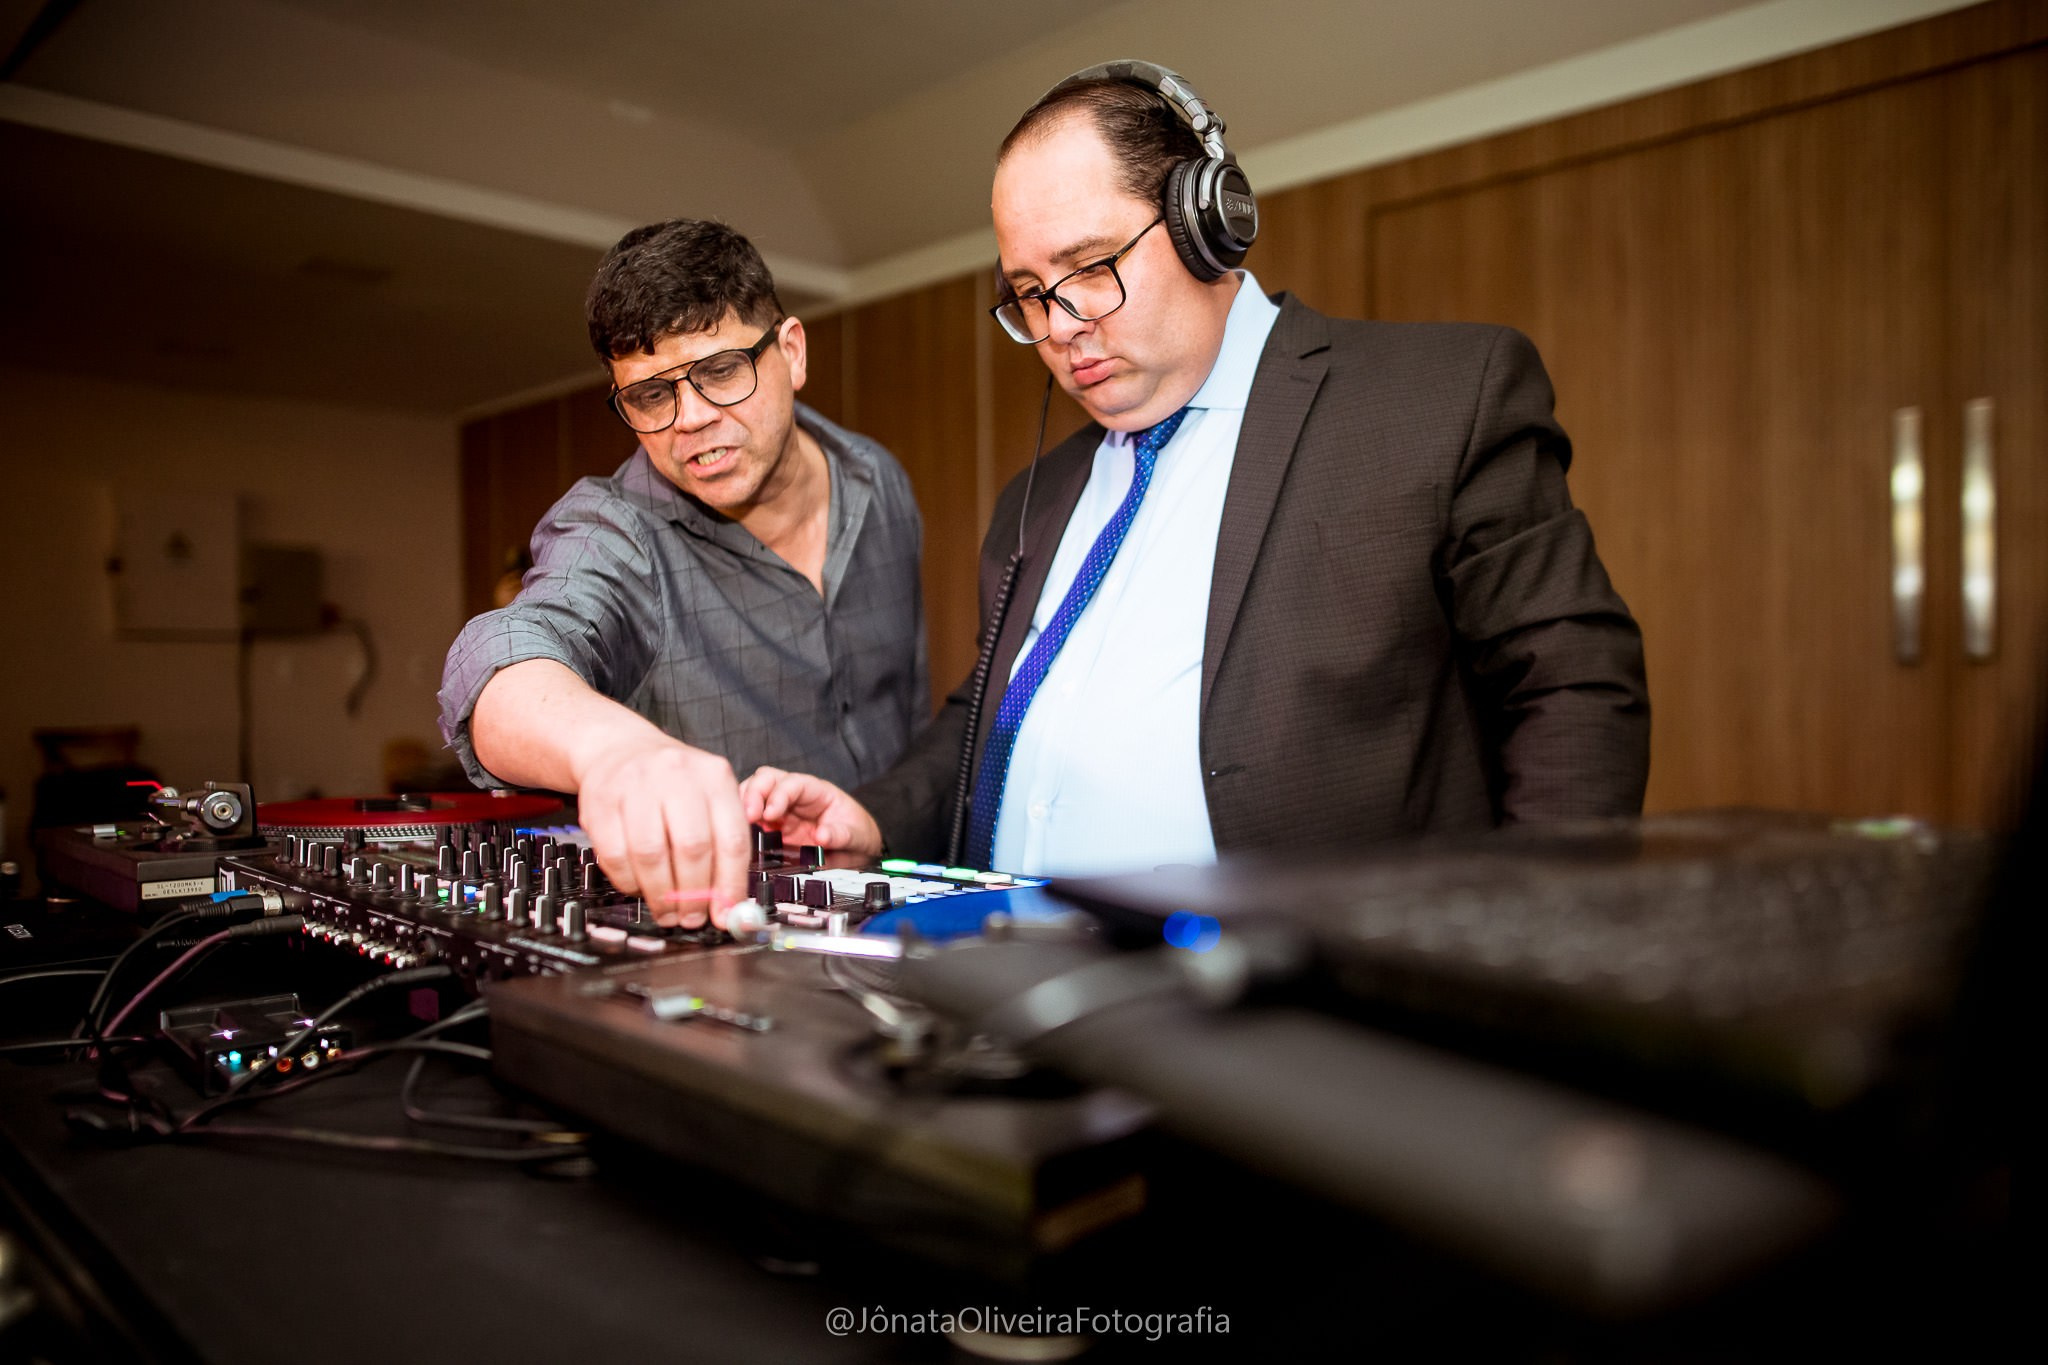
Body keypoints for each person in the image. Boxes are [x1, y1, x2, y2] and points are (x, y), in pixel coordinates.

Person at [739, 62, 1649, 892]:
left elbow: (1573, 687)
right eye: (1026, 291)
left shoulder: (1438, 401)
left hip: (1307, 1025)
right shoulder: (1035, 498)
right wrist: (879, 815)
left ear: (1206, 223)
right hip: (1022, 999)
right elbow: (985, 713)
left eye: (1088, 269)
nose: (1059, 324)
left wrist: (1531, 949)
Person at [438, 219, 928, 922]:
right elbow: (497, 659)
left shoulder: (880, 478)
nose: (689, 418)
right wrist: (613, 749)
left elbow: (910, 714)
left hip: (910, 909)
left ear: (790, 353)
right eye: (650, 395)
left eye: (721, 371)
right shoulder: (616, 532)